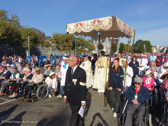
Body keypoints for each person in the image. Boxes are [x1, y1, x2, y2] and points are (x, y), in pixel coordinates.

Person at [64, 55, 87, 126]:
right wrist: (65, 95)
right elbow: (66, 83)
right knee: (77, 114)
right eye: (68, 60)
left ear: (75, 61)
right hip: (70, 97)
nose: (68, 62)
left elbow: (83, 87)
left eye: (70, 60)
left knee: (74, 115)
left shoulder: (81, 72)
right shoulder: (68, 70)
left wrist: (83, 100)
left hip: (78, 97)